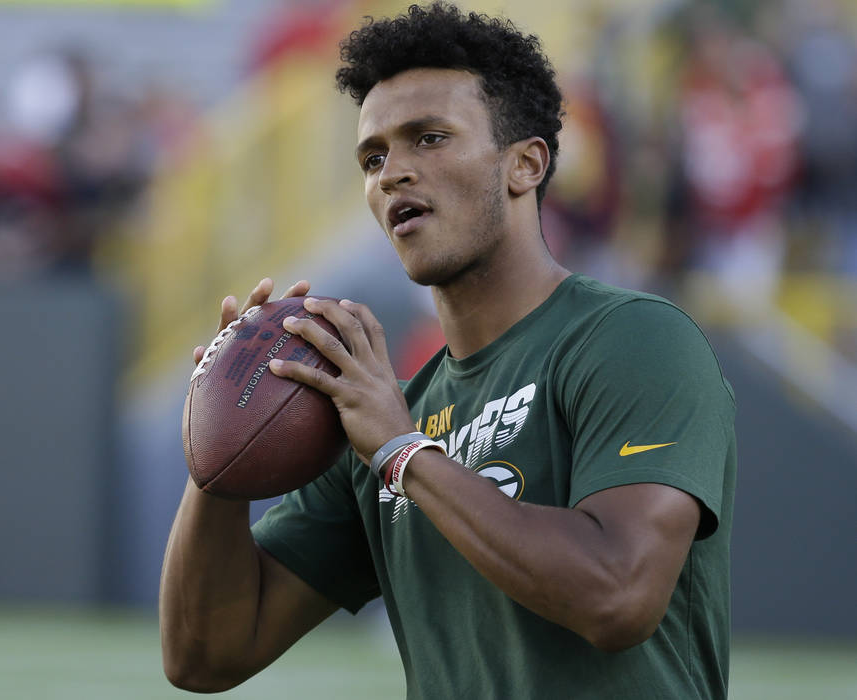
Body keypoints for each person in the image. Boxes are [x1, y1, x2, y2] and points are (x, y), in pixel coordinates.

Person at [160, 4, 736, 698]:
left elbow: (617, 596)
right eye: (373, 157)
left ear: (525, 165)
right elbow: (207, 656)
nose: (392, 173)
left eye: (428, 139)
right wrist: (217, 448)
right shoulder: (380, 415)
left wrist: (404, 454)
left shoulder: (635, 339)